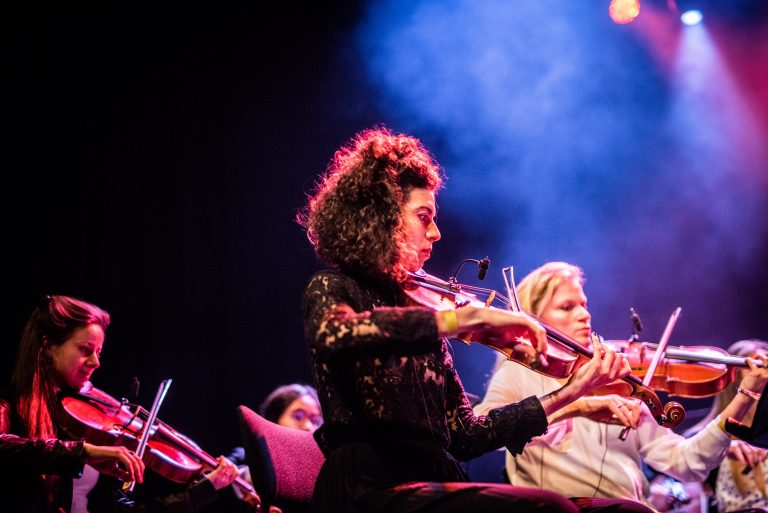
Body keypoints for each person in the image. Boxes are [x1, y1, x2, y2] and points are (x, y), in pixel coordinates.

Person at [296, 126, 651, 513]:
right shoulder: (332, 286)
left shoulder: (422, 309)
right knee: (551, 508)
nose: (436, 232)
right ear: (380, 219)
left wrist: (571, 393)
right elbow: (334, 335)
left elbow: (465, 435)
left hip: (430, 481)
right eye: (423, 216)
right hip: (372, 487)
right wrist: (461, 321)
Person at [474, 262, 768, 512]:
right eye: (567, 307)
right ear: (535, 321)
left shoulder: (618, 376)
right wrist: (578, 407)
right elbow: (483, 427)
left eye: (584, 305)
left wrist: (744, 396)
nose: (584, 315)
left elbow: (686, 462)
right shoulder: (518, 373)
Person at [0, 294, 243, 513]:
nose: (96, 362)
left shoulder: (91, 418)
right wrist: (84, 452)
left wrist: (205, 489)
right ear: (48, 346)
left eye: (99, 352)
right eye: (85, 350)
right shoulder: (9, 398)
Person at [684, 339, 768, 513]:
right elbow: (687, 460)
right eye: (758, 364)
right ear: (735, 376)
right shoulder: (698, 435)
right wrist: (723, 446)